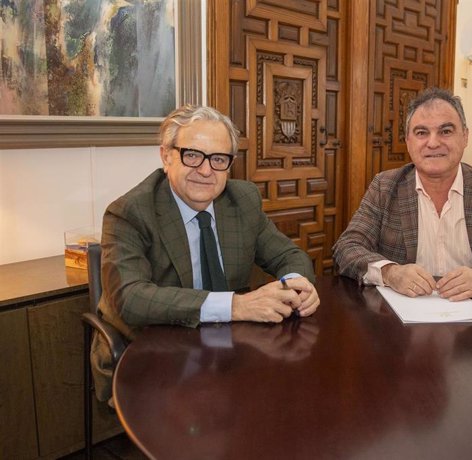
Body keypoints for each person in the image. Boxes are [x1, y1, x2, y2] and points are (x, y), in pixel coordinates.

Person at [92, 104, 319, 400]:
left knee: (290, 395)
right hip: (153, 348)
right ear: (166, 156)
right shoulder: (130, 212)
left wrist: (295, 286)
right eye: (193, 155)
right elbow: (131, 298)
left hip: (227, 346)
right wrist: (236, 306)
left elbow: (290, 256)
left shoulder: (242, 200)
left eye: (218, 159)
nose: (205, 170)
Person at [333, 87, 472, 300]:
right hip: (402, 321)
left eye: (446, 131)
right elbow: (347, 248)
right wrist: (390, 273)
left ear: (465, 136)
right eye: (421, 133)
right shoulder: (385, 187)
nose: (433, 143)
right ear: (408, 142)